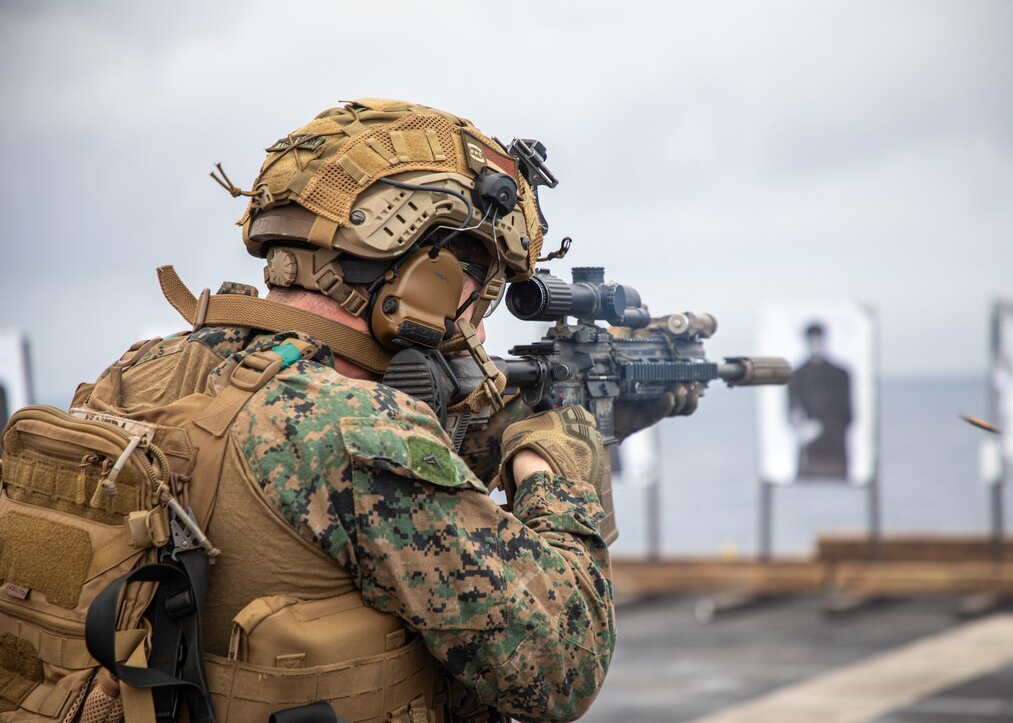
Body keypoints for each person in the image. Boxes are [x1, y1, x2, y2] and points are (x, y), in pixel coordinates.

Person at [0, 100, 613, 723]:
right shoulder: (357, 433)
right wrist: (549, 461)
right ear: (426, 271)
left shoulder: (141, 371)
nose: (477, 321)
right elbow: (562, 665)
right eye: (480, 285)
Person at [788, 322, 852, 479]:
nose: (815, 345)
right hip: (809, 452)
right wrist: (803, 427)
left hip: (835, 447)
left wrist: (825, 427)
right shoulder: (797, 375)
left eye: (818, 340)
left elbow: (848, 414)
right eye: (812, 341)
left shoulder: (839, 373)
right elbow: (792, 412)